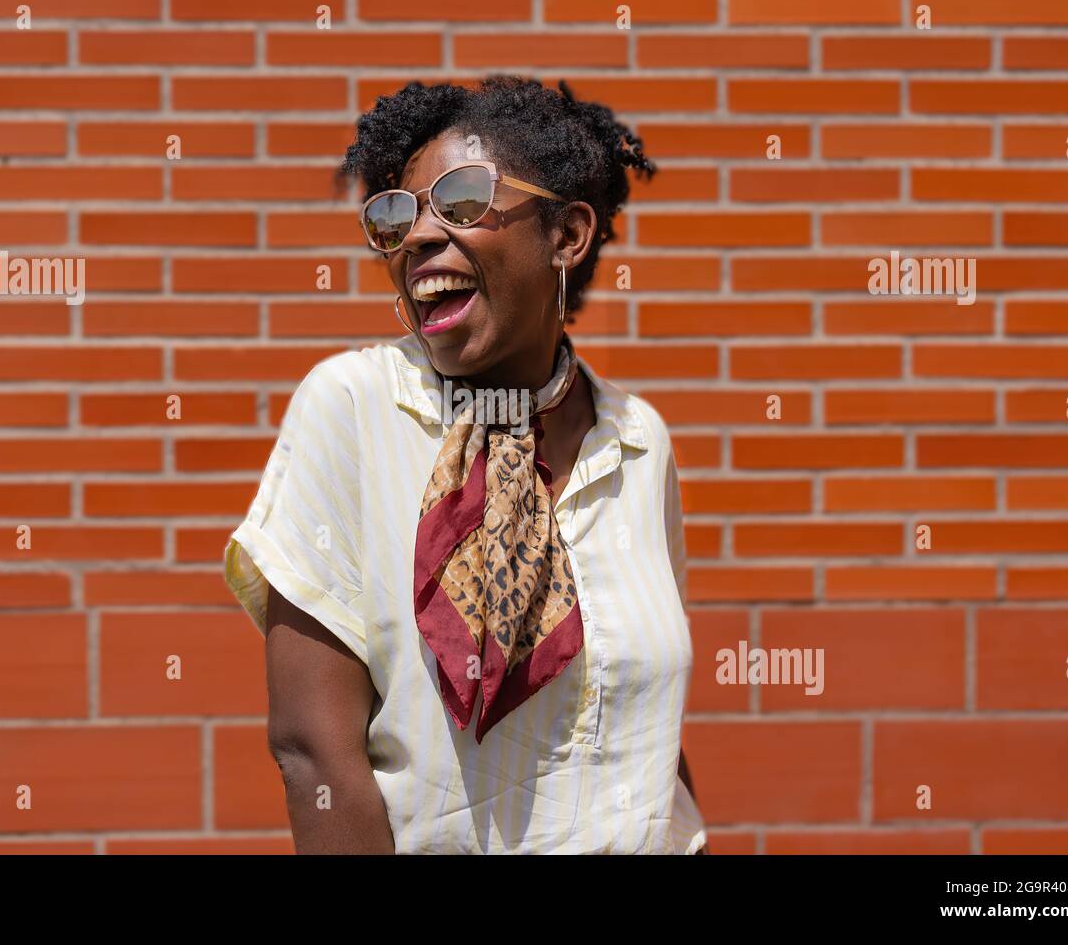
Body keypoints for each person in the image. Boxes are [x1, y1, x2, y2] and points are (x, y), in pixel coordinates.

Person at [224, 74, 707, 854]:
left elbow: (650, 729)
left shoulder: (638, 441)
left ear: (567, 234)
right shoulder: (353, 409)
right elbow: (313, 752)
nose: (417, 236)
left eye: (459, 203)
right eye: (396, 217)